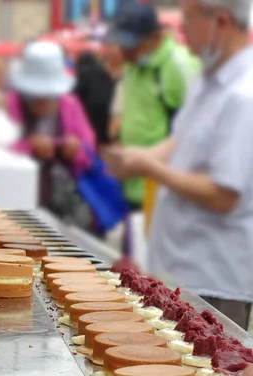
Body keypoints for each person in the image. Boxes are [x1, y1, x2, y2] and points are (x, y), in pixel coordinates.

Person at [104, 0, 253, 330]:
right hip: (179, 270)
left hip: (214, 280)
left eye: (187, 19)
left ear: (221, 22)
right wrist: (140, 158)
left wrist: (151, 168)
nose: (180, 29)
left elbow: (222, 195)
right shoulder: (207, 80)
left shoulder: (243, 94)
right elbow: (180, 141)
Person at [104, 1, 200, 212]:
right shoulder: (133, 66)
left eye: (130, 46)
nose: (124, 54)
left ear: (154, 38)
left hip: (162, 185)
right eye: (120, 46)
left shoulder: (178, 65)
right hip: (131, 183)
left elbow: (198, 126)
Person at [5, 41, 96, 230]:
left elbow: (89, 151)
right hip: (15, 202)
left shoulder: (69, 105)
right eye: (36, 95)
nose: (42, 101)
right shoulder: (10, 105)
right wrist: (29, 147)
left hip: (61, 204)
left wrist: (74, 150)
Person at [73, 45, 123, 149]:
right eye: (114, 45)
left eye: (122, 46)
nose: (117, 50)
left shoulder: (134, 78)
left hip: (122, 147)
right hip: (88, 146)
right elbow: (72, 107)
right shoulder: (89, 75)